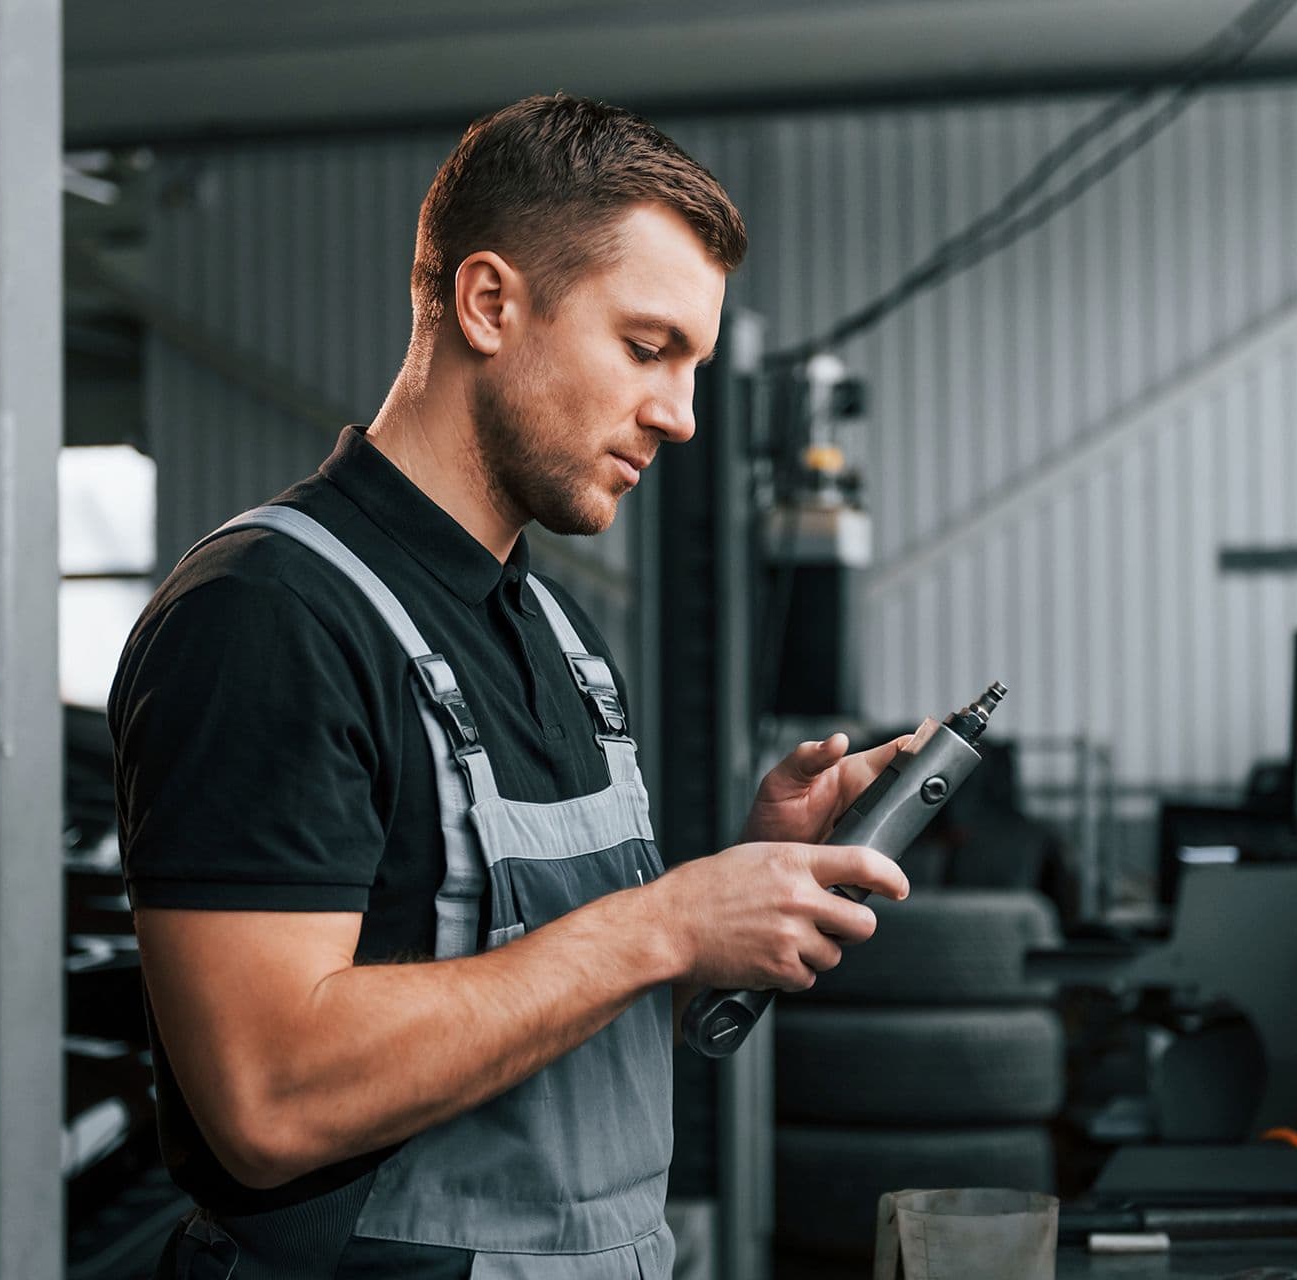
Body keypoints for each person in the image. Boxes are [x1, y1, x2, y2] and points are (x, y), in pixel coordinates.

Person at [109, 93, 911, 1279]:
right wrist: (664, 920)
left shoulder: (557, 635)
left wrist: (736, 901)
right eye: (647, 347)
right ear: (489, 303)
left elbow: (557, 1022)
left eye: (692, 365)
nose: (681, 416)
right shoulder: (268, 617)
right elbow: (267, 1097)